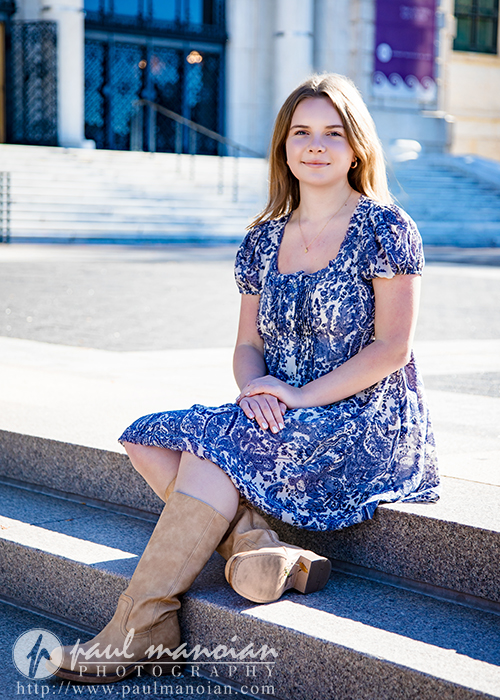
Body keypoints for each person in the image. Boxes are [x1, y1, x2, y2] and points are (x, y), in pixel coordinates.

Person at [48, 73, 439, 684]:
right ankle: (257, 548)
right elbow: (247, 345)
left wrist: (300, 395)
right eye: (302, 132)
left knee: (209, 450)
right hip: (280, 404)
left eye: (333, 133)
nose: (317, 145)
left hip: (362, 415)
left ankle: (138, 626)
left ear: (357, 146)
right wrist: (256, 388)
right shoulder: (262, 241)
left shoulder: (387, 228)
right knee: (145, 436)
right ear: (283, 145)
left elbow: (392, 349)